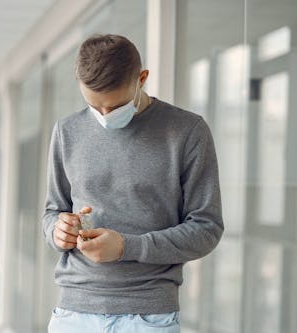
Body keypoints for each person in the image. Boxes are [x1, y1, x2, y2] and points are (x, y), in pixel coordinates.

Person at [41, 33, 224, 333]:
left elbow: (207, 228)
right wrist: (58, 231)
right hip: (72, 313)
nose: (103, 116)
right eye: (94, 107)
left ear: (142, 78)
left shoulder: (188, 132)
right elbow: (52, 211)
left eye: (114, 106)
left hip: (148, 317)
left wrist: (128, 247)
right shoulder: (66, 131)